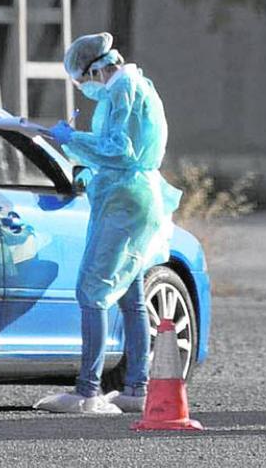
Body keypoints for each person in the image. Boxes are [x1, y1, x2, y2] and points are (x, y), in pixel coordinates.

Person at [33, 32, 179, 415]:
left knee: (92, 290)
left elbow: (117, 148)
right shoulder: (136, 84)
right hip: (134, 196)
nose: (85, 90)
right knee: (130, 293)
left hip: (124, 201)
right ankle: (137, 388)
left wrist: (71, 138)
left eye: (82, 82)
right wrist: (86, 168)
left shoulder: (121, 90)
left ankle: (88, 391)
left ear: (95, 70)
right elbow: (123, 151)